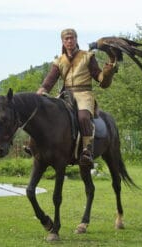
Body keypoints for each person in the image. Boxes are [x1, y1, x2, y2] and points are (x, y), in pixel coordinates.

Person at [36, 28, 118, 166]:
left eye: (72, 38)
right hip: (65, 95)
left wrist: (107, 72)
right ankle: (37, 146)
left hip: (84, 94)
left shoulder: (87, 56)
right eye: (66, 38)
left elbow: (99, 77)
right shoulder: (59, 61)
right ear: (62, 41)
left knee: (83, 117)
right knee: (44, 114)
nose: (69, 41)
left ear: (76, 39)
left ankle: (87, 150)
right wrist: (40, 93)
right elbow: (49, 81)